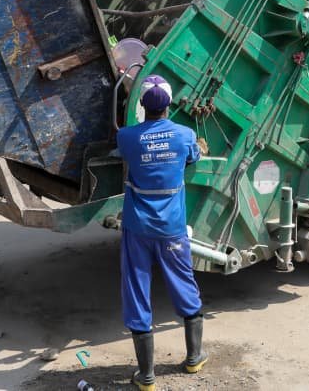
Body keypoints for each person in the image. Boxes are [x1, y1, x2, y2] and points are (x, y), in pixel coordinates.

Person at [116, 74, 208, 391]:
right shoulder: (184, 135)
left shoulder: (126, 137)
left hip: (138, 228)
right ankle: (194, 359)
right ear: (168, 104)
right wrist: (197, 148)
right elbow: (194, 155)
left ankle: (147, 377)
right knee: (184, 285)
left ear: (141, 103)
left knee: (137, 290)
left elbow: (128, 154)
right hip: (172, 229)